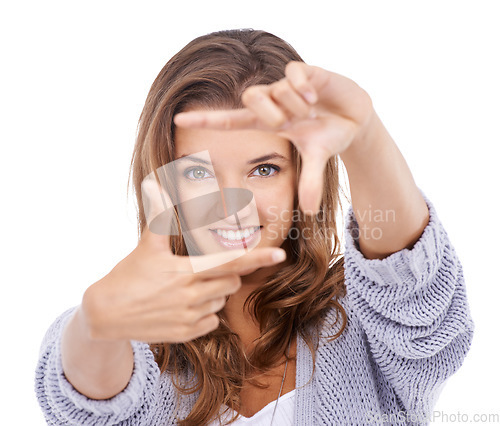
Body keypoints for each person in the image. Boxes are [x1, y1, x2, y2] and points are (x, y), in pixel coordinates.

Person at [35, 29, 474, 425]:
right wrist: (97, 321)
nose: (233, 207)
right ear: (162, 180)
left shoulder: (367, 323)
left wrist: (365, 137)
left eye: (263, 169)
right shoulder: (138, 340)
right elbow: (86, 403)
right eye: (197, 173)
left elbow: (413, 286)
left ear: (304, 173)